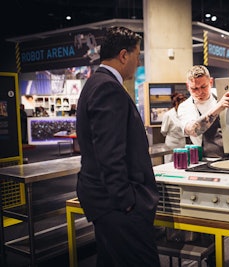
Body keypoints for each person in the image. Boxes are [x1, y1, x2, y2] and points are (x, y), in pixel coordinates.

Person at [75, 26, 160, 267]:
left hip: (107, 201)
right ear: (124, 55)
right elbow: (109, 154)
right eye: (137, 56)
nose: (138, 62)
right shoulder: (107, 88)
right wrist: (128, 202)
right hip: (117, 205)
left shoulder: (96, 83)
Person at [177, 65, 229, 266]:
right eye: (194, 89)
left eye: (203, 86)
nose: (200, 92)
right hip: (207, 166)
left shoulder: (221, 92)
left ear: (210, 82)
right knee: (211, 221)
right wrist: (219, 107)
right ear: (188, 87)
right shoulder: (185, 107)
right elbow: (193, 130)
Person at [160, 92, 188, 162]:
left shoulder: (185, 113)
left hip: (182, 142)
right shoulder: (168, 115)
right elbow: (164, 130)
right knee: (170, 161)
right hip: (171, 143)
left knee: (182, 161)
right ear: (176, 103)